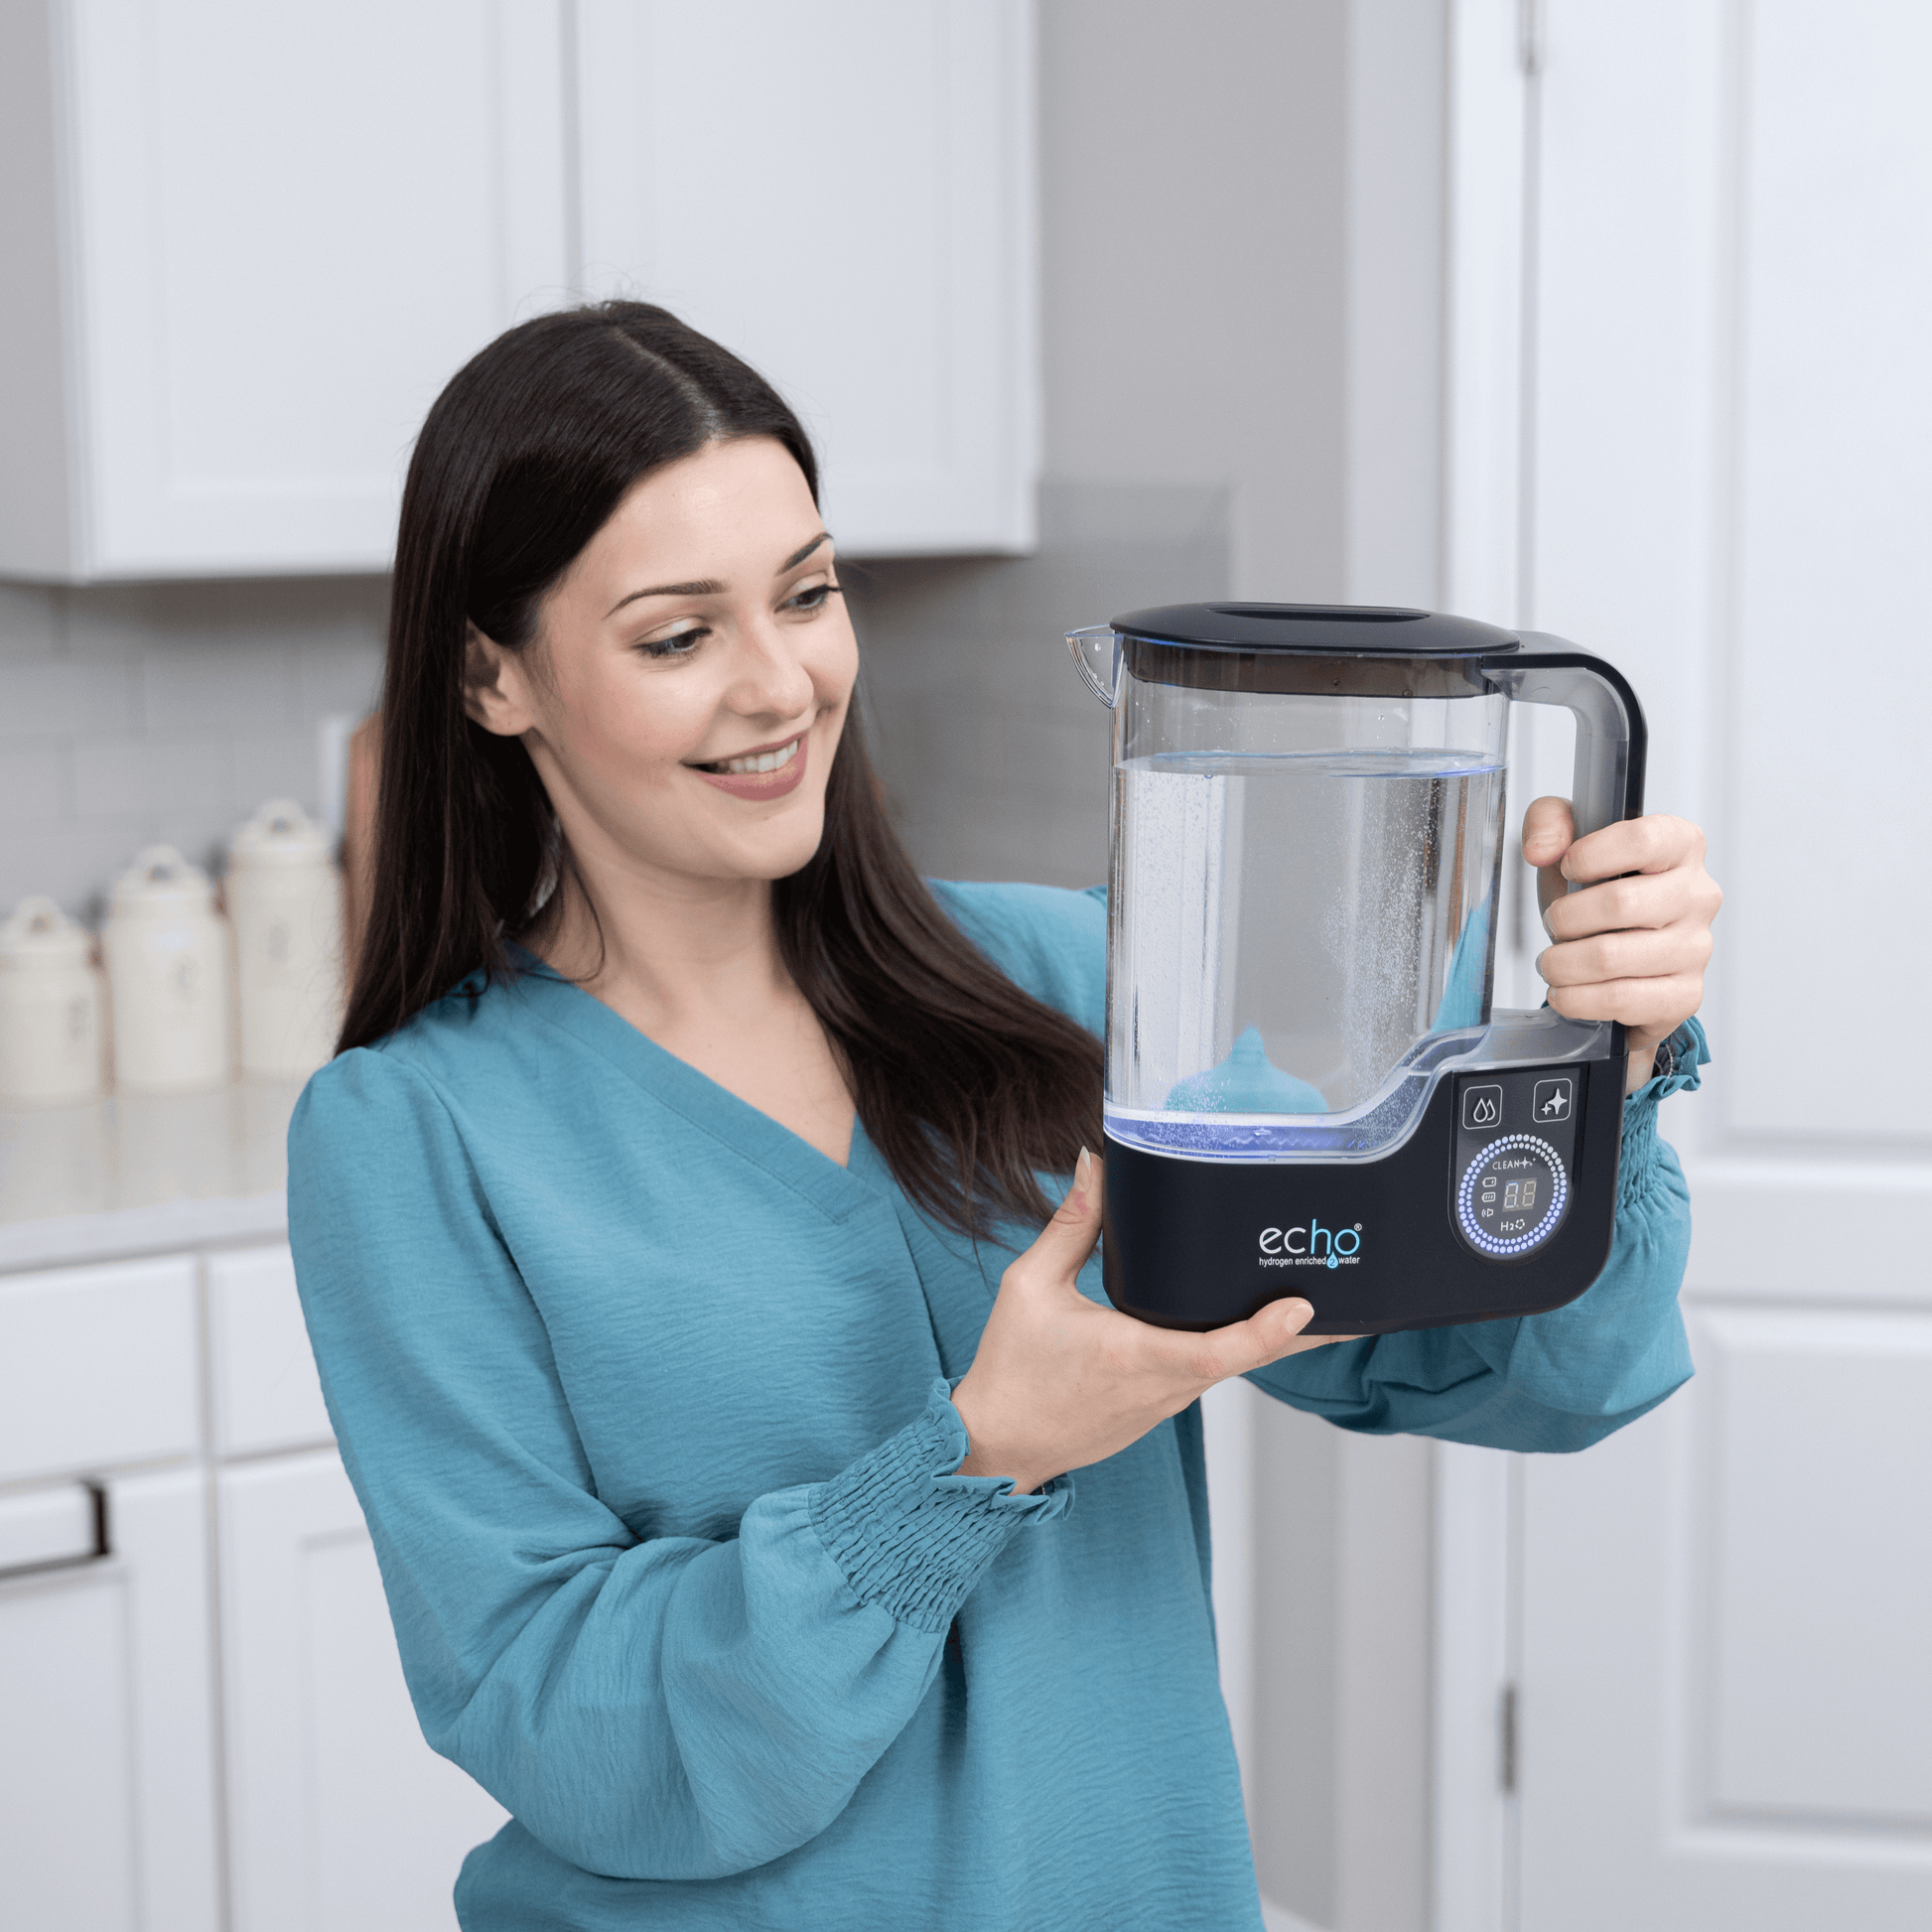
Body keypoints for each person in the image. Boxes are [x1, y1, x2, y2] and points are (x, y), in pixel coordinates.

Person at [288, 302, 1722, 1932]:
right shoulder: (412, 1135)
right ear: (491, 675)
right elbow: (554, 1713)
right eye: (677, 635)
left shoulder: (1062, 979)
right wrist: (971, 1461)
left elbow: (1531, 1366)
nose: (781, 685)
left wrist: (1608, 1063)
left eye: (810, 593)